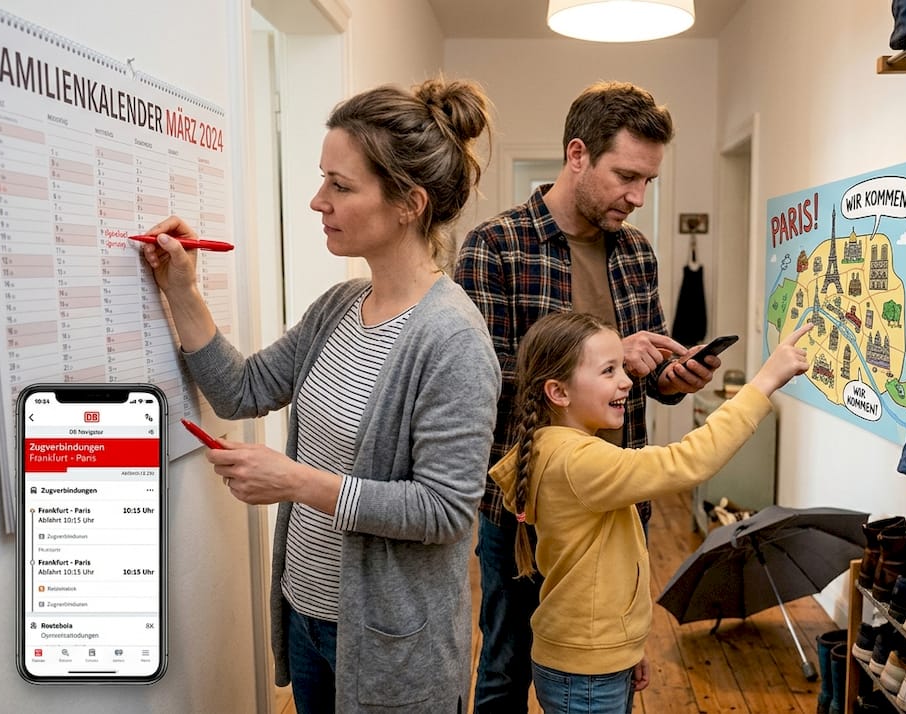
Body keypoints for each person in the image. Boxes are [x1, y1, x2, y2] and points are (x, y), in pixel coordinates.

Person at [138, 78, 500, 714]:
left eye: (341, 185)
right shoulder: (339, 306)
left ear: (409, 203)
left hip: (391, 646)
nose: (316, 201)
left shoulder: (452, 339)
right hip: (309, 616)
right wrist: (182, 290)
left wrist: (296, 481)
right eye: (322, 179)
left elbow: (444, 511)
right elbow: (241, 388)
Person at [454, 80, 718, 712]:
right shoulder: (496, 246)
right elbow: (474, 384)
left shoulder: (638, 255)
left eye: (649, 180)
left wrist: (671, 379)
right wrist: (594, 366)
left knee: (611, 667)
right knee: (503, 667)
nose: (638, 196)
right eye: (626, 175)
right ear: (577, 155)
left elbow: (640, 382)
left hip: (618, 507)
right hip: (521, 513)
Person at [490, 313, 812, 714]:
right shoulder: (578, 462)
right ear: (558, 392)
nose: (626, 381)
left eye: (622, 368)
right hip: (588, 673)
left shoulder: (555, 449)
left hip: (594, 659)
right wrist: (764, 382)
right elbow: (690, 461)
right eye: (609, 371)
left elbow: (599, 583)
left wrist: (625, 651)